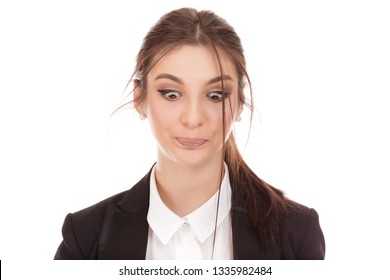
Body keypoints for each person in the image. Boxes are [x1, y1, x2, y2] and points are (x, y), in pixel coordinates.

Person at [54, 7, 325, 260]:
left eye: (216, 95)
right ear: (140, 98)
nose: (193, 118)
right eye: (171, 94)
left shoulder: (296, 233)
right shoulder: (85, 238)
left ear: (240, 102)